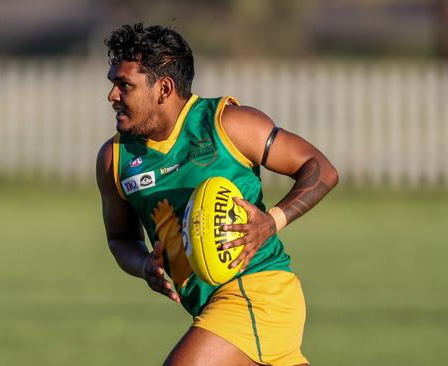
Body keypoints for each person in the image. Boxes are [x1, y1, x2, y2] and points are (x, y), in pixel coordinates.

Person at [95, 23, 338, 365]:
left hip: (259, 292)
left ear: (163, 88)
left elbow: (321, 168)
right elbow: (120, 239)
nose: (112, 96)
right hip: (212, 307)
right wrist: (144, 265)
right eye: (113, 84)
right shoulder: (115, 160)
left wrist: (272, 220)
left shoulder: (228, 124)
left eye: (125, 85)